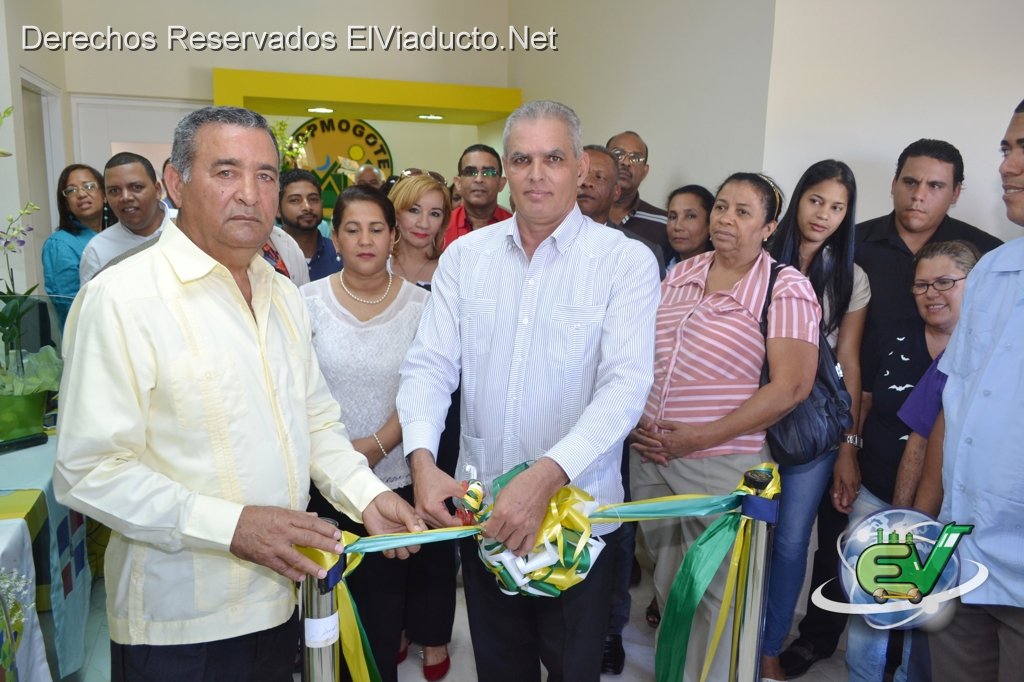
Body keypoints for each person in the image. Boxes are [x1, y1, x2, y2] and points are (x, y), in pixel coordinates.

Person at [54, 106, 423, 682]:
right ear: (176, 183)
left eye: (267, 175)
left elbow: (315, 421)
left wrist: (365, 495)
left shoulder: (280, 294)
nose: (251, 194)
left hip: (280, 600)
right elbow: (88, 470)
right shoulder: (122, 300)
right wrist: (231, 526)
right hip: (182, 625)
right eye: (226, 172)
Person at [397, 100, 660, 681]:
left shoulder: (624, 262)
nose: (537, 173)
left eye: (553, 158)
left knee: (572, 668)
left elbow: (626, 385)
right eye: (522, 159)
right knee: (500, 669)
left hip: (579, 522)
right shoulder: (466, 258)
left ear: (581, 169)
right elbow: (430, 365)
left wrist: (544, 477)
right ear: (505, 171)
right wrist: (421, 462)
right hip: (485, 514)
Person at [783, 139, 1004, 677]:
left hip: (940, 457)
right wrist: (848, 445)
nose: (919, 195)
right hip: (857, 421)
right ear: (894, 183)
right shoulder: (854, 242)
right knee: (839, 547)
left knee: (927, 578)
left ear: (955, 192)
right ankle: (817, 636)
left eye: (935, 185)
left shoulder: (990, 257)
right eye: (910, 181)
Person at [629, 172, 821, 682]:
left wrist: (701, 437)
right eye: (721, 208)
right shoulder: (681, 271)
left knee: (721, 597)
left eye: (743, 212)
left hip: (723, 464)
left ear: (769, 227)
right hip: (654, 458)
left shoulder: (786, 286)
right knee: (671, 588)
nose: (725, 220)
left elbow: (792, 388)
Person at [301, 185, 447, 682]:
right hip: (319, 487)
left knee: (381, 619)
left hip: (393, 483)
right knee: (324, 618)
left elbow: (425, 389)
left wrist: (376, 445)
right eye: (352, 229)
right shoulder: (305, 303)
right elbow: (296, 390)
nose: (365, 239)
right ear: (335, 239)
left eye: (377, 228)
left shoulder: (421, 307)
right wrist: (342, 454)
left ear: (393, 236)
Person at [922, 98, 1024, 682]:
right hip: (963, 558)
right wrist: (926, 530)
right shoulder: (991, 272)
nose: (1007, 167)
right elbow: (954, 405)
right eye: (1006, 149)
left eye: (1022, 149)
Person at [844, 239, 979, 682]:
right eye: (922, 285)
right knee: (871, 609)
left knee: (932, 620)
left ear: (973, 285)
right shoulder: (897, 335)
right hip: (880, 496)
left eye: (944, 282)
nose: (931, 293)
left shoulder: (989, 355)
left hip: (954, 516)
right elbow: (864, 400)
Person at [759, 159, 869, 682]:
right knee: (740, 533)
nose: (823, 214)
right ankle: (725, 632)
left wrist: (848, 442)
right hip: (750, 416)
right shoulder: (757, 259)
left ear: (847, 215)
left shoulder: (850, 277)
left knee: (790, 543)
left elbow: (848, 359)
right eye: (815, 200)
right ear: (797, 200)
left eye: (837, 206)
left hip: (811, 430)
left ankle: (768, 647)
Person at [79, 152, 172, 283]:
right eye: (114, 191)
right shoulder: (97, 251)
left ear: (157, 190)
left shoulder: (188, 226)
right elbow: (92, 302)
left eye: (136, 187)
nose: (126, 197)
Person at [578, 144, 666, 280]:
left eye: (599, 177)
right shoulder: (539, 235)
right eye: (581, 175)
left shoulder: (641, 254)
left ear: (616, 192)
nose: (587, 182)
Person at [41, 164, 108, 327]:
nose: (82, 194)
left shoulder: (118, 236)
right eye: (71, 190)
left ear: (105, 195)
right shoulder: (60, 244)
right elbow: (70, 306)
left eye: (89, 186)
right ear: (65, 204)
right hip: (87, 337)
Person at [606, 130, 669, 257]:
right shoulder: (578, 209)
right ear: (604, 162)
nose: (626, 162)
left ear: (645, 171)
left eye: (636, 158)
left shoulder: (663, 223)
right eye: (618, 154)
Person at [440, 143, 511, 249]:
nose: (479, 179)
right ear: (458, 183)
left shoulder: (515, 227)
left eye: (488, 172)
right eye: (470, 172)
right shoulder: (441, 227)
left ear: (501, 183)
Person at [277, 168, 340, 282]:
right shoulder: (267, 257)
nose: (307, 207)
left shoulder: (340, 253)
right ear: (277, 209)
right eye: (295, 200)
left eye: (313, 199)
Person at [389, 173, 451, 286]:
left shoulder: (453, 271)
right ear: (395, 214)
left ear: (443, 221)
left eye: (434, 214)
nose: (424, 224)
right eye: (414, 210)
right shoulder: (375, 266)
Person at [665, 184, 714, 269]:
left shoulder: (720, 269)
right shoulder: (655, 261)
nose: (677, 226)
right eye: (672, 217)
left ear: (710, 223)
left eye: (690, 216)